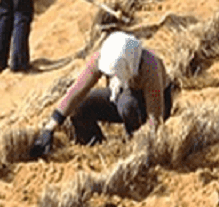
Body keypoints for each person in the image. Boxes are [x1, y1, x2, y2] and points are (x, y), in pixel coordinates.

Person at [29, 31, 172, 158]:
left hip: (153, 103)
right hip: (122, 92)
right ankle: (96, 146)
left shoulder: (149, 67)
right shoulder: (103, 57)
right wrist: (49, 128)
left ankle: (133, 145)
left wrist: (147, 145)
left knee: (127, 105)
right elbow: (76, 91)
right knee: (80, 106)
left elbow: (155, 116)